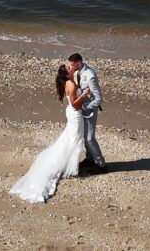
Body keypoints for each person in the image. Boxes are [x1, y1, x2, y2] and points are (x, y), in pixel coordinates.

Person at [9, 63, 90, 203]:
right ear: (66, 74)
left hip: (72, 113)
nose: (71, 68)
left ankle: (70, 166)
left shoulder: (69, 82)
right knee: (74, 140)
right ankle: (70, 169)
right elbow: (75, 103)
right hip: (75, 114)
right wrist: (84, 95)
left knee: (71, 138)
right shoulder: (70, 84)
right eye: (69, 68)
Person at [67, 52, 107, 173]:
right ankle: (90, 158)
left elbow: (99, 98)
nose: (71, 68)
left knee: (89, 138)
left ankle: (101, 164)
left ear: (79, 63)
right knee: (84, 135)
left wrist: (87, 107)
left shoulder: (90, 75)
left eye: (72, 66)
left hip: (89, 110)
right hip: (81, 108)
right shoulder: (77, 73)